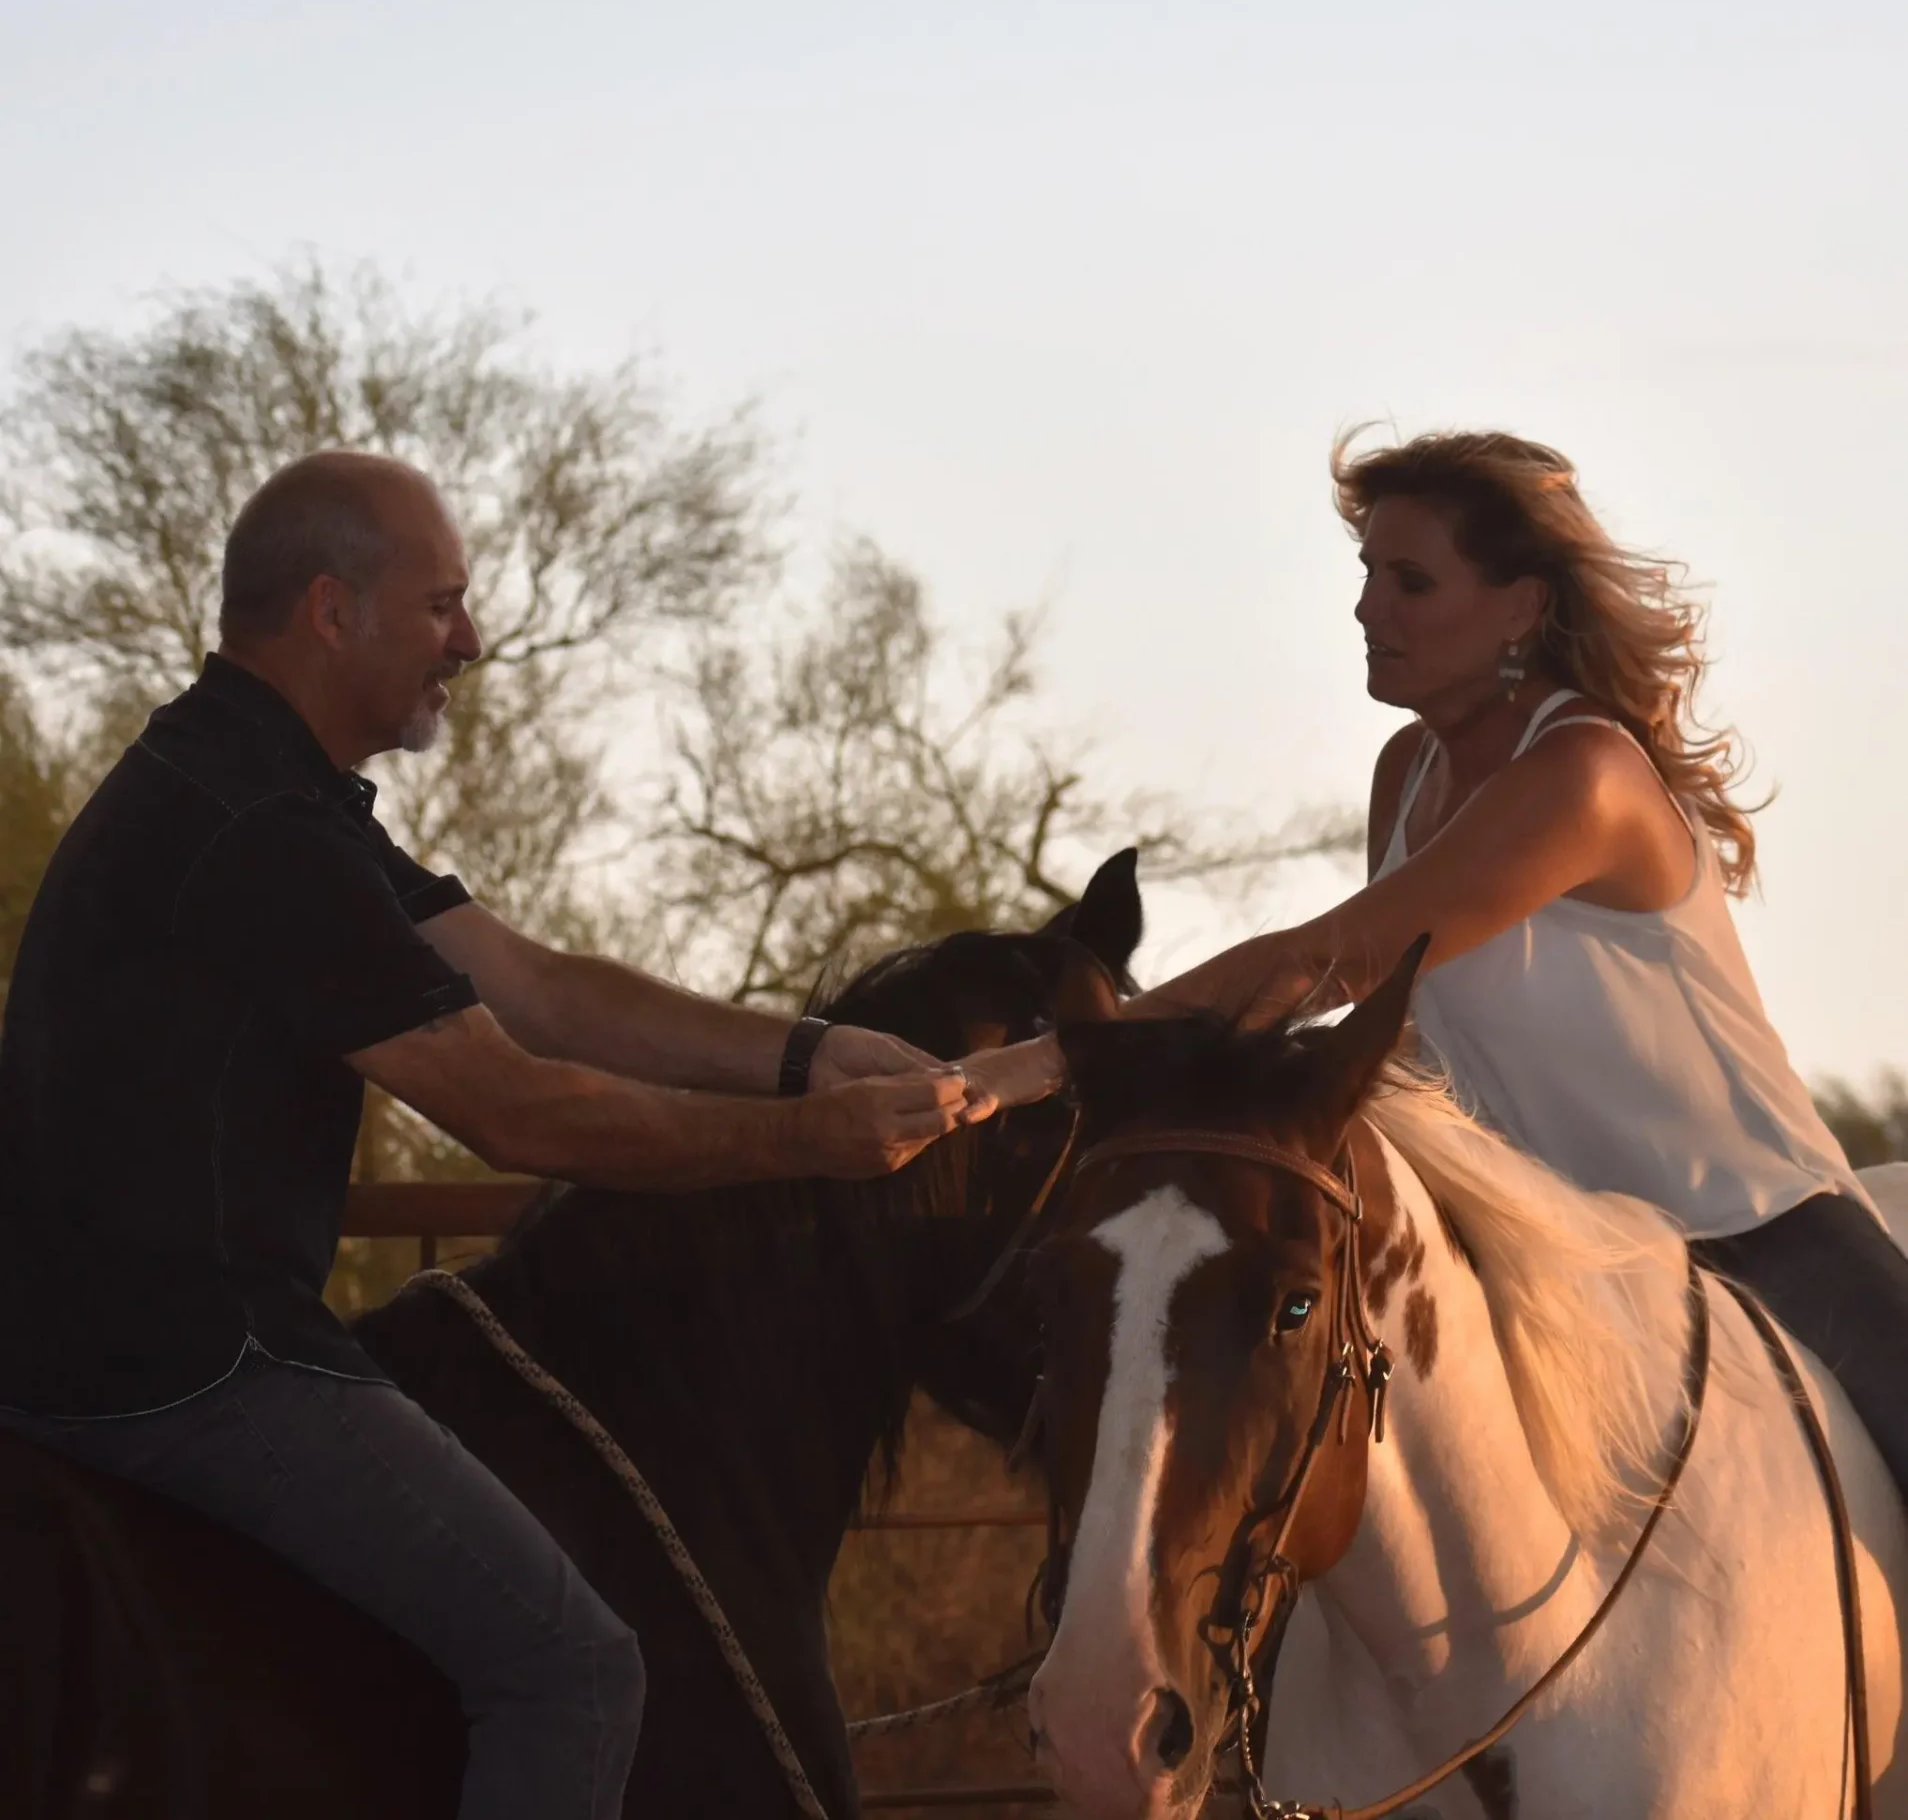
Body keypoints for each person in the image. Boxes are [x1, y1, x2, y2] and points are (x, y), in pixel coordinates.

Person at [0, 450, 995, 1820]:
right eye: (444, 605)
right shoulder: (260, 830)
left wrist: (807, 1054)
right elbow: (507, 1102)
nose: (471, 640)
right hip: (191, 1362)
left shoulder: (255, 784)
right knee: (573, 1670)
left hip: (115, 1338)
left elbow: (537, 990)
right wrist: (812, 1146)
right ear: (330, 611)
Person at [974, 426, 1908, 1496]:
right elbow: (1408, 1049)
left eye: (1411, 581)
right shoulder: (1407, 773)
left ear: (1522, 606)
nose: (1369, 609)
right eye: (1368, 574)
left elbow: (1334, 961)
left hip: (1762, 1240)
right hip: (1557, 1270)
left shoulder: (1585, 774)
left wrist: (1041, 1067)